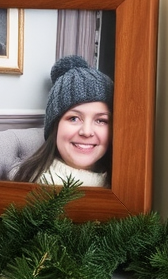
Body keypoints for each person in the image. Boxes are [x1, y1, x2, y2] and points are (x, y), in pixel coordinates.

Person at [12, 55, 113, 187]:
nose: (86, 132)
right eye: (74, 118)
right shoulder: (29, 185)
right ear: (55, 126)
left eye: (100, 120)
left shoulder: (126, 186)